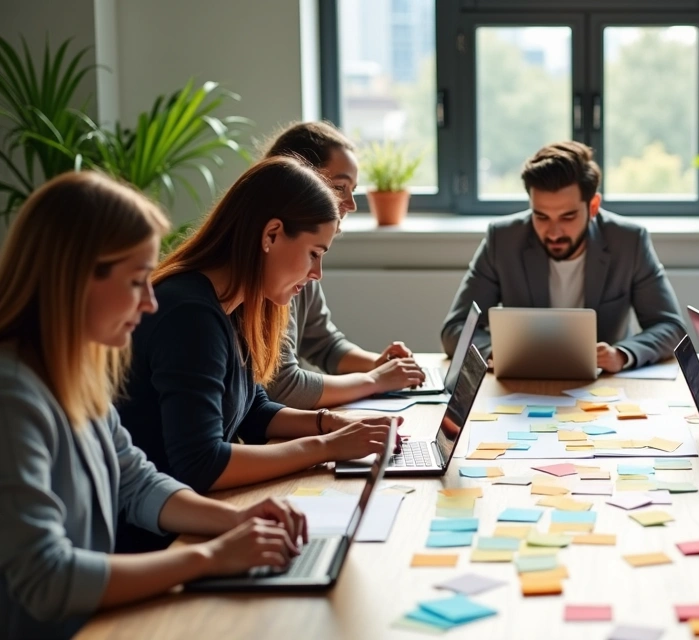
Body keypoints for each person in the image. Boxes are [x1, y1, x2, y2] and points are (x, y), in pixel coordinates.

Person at [0, 172, 308, 639]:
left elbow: (135, 482)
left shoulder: (72, 372)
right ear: (76, 277)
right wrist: (209, 557)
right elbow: (47, 578)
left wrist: (238, 519)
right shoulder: (13, 399)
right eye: (136, 282)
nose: (149, 302)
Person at [116, 156, 396, 552]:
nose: (317, 274)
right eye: (315, 253)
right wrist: (328, 448)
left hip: (193, 525)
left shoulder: (234, 303)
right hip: (160, 540)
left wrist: (329, 424)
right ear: (272, 234)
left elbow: (253, 410)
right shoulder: (189, 314)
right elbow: (201, 463)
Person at [440, 141, 684, 373]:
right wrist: (498, 352)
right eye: (541, 216)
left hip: (604, 388)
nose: (554, 232)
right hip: (521, 385)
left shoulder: (629, 241)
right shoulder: (502, 240)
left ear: (593, 206)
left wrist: (621, 355)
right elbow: (455, 328)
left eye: (567, 217)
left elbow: (671, 327)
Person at [261, 122, 424, 409]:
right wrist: (375, 380)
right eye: (340, 187)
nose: (350, 203)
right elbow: (282, 386)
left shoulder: (300, 260)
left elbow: (323, 342)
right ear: (299, 180)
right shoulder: (273, 270)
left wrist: (376, 365)